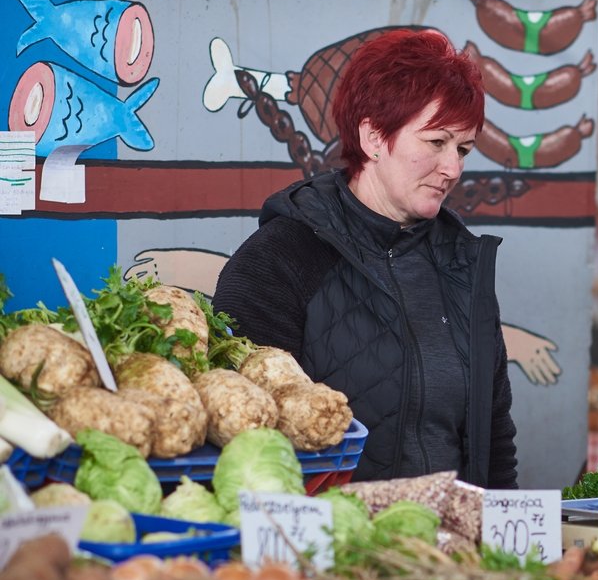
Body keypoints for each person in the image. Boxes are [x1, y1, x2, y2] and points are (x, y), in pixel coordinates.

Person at [213, 29, 517, 488]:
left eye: (463, 149)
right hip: (320, 548)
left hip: (446, 553)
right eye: (436, 143)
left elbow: (494, 445)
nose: (453, 168)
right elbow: (240, 439)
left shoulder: (463, 268)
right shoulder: (279, 260)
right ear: (373, 137)